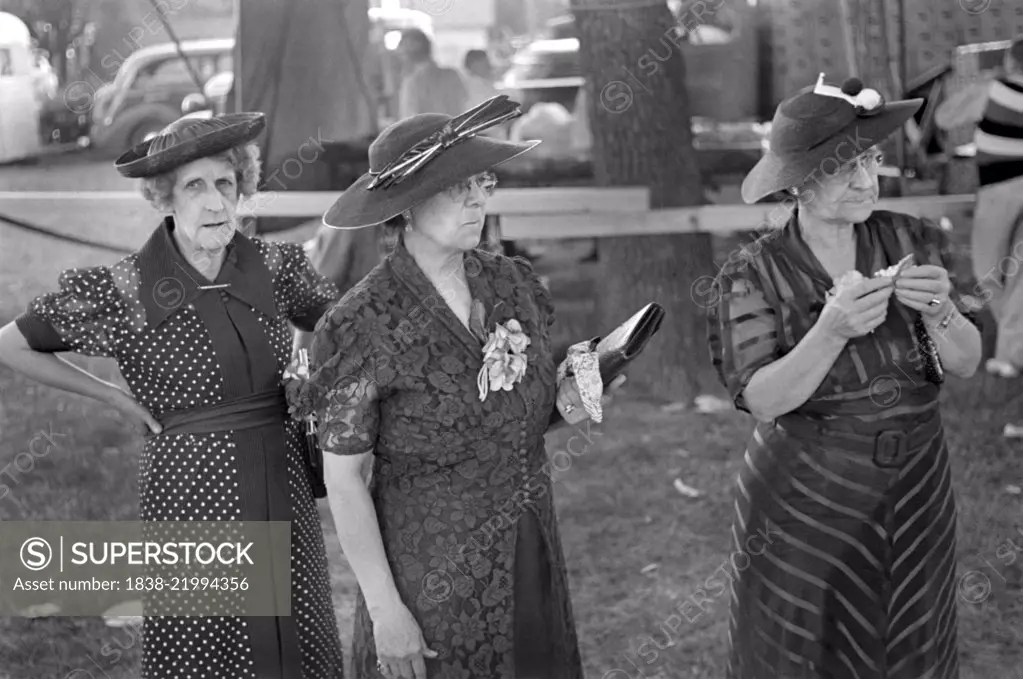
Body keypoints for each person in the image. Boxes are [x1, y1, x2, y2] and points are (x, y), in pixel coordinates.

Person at [0, 113, 345, 678]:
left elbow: (345, 327)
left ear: (243, 189)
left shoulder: (277, 269)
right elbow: (12, 345)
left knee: (295, 631)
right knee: (207, 646)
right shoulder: (127, 288)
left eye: (225, 184)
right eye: (195, 186)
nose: (214, 203)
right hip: (190, 490)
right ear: (165, 198)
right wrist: (112, 395)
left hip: (280, 478)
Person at [288, 98, 623, 679]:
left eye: (482, 181)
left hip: (529, 545)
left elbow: (526, 413)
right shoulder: (360, 324)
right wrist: (386, 609)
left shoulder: (513, 284)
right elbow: (344, 480)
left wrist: (572, 400)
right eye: (456, 186)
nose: (478, 198)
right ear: (407, 207)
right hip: (431, 575)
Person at [707, 76, 982, 679]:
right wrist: (829, 330)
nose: (867, 181)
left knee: (913, 636)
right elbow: (763, 398)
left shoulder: (913, 238)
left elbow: (965, 361)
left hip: (916, 484)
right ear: (799, 183)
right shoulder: (751, 274)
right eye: (845, 168)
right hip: (808, 492)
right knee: (806, 646)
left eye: (872, 160)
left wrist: (942, 311)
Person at [970, 35, 1023, 379]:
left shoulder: (999, 87)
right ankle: (1011, 352)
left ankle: (1012, 349)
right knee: (1018, 272)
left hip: (1001, 189)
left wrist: (981, 85)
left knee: (986, 271)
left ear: (1010, 61)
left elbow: (944, 118)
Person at [396, 29, 468, 119]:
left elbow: (408, 122)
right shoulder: (452, 75)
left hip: (427, 133)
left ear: (406, 55)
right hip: (457, 131)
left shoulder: (411, 83)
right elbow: (466, 106)